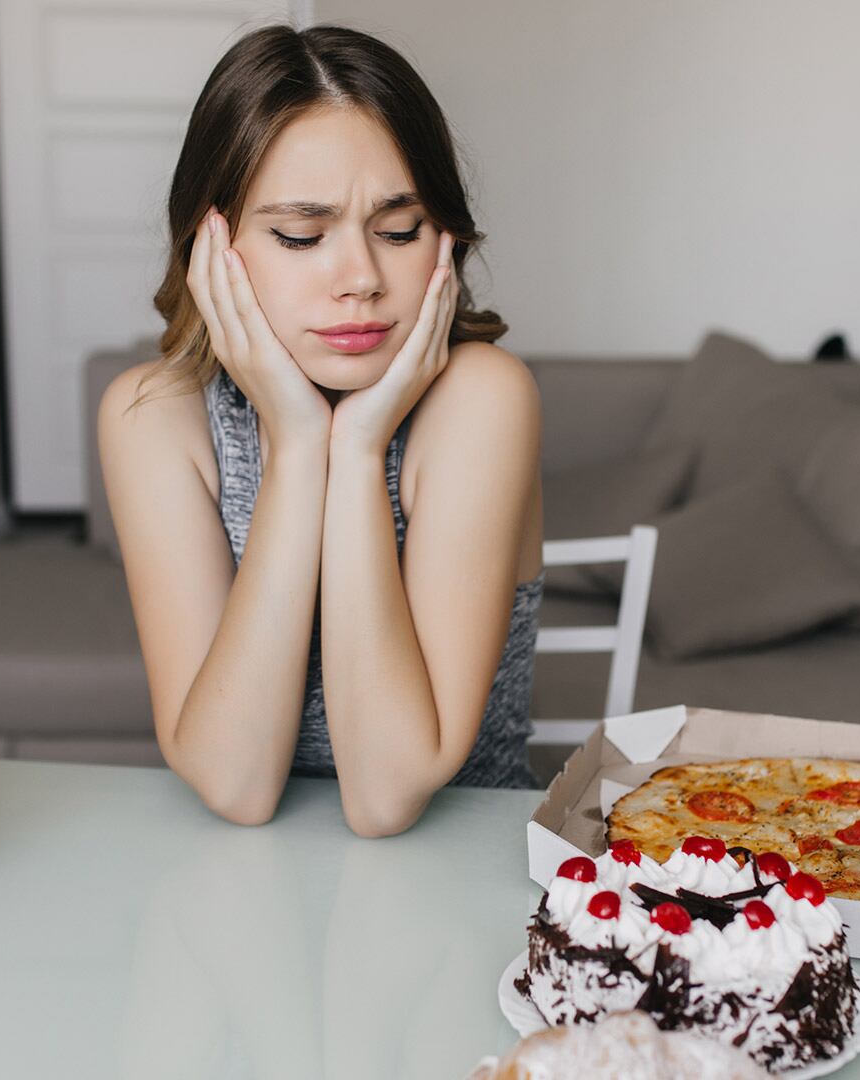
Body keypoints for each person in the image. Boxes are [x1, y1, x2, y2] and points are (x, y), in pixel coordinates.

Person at [96, 24, 545, 837]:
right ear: (213, 244)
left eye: (399, 229)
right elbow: (234, 785)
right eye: (302, 236)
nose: (362, 279)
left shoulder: (483, 399)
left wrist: (360, 447)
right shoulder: (152, 417)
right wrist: (298, 445)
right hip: (245, 879)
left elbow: (387, 796)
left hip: (462, 867)